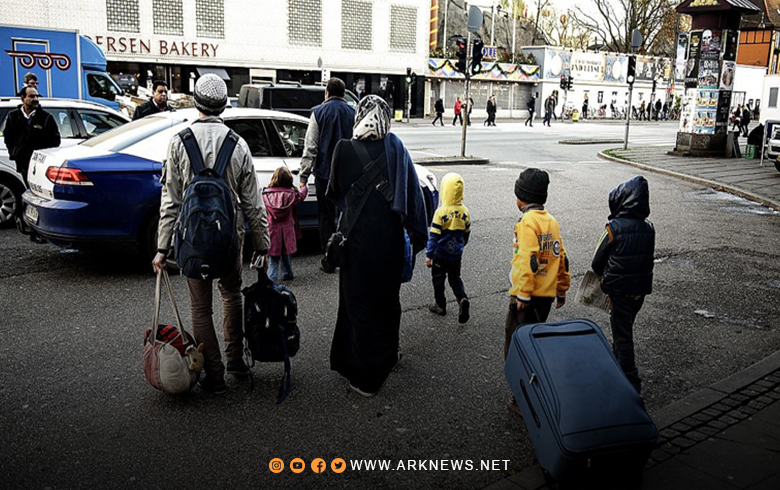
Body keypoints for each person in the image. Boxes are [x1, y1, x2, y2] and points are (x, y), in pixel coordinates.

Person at [152, 74, 270, 395]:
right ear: (224, 104)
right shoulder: (238, 145)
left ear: (195, 101)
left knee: (200, 309)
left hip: (192, 244)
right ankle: (235, 360)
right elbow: (253, 204)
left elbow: (171, 201)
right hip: (230, 241)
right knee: (231, 295)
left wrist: (162, 248)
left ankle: (214, 375)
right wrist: (263, 244)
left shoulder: (179, 142)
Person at [327, 95, 428, 397]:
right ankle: (388, 356)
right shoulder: (397, 149)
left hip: (356, 245)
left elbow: (334, 193)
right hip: (389, 245)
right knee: (387, 303)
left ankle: (364, 375)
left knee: (357, 305)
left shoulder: (343, 150)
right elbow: (413, 201)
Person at [505, 168, 570, 412]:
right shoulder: (551, 220)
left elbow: (527, 258)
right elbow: (561, 256)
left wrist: (522, 293)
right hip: (546, 295)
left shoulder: (526, 222)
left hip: (526, 297)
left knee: (516, 344)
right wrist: (561, 288)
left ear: (520, 198)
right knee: (534, 341)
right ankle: (533, 389)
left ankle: (522, 398)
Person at [591, 176, 655, 394]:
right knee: (624, 329)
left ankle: (630, 385)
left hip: (619, 290)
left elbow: (597, 261)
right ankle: (617, 369)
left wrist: (602, 277)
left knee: (623, 335)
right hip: (640, 291)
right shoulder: (648, 228)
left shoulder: (613, 228)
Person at [299, 77, 355, 273]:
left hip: (324, 173)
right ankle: (347, 253)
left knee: (326, 216)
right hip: (348, 173)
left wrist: (303, 177)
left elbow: (310, 146)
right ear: (343, 93)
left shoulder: (318, 112)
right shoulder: (353, 113)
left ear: (327, 93)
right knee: (347, 213)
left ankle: (329, 258)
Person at [426, 172, 471, 324]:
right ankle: (462, 298)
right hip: (455, 256)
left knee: (438, 280)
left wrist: (428, 255)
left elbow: (434, 236)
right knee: (455, 278)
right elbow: (466, 233)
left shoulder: (440, 213)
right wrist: (461, 246)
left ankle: (440, 305)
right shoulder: (465, 212)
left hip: (440, 255)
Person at [3, 86, 61, 188]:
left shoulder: (46, 117)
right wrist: (13, 153)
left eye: (36, 96)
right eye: (31, 96)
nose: (35, 99)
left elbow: (55, 140)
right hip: (22, 162)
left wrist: (42, 154)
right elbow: (8, 137)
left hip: (39, 163)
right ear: (23, 98)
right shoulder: (13, 116)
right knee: (27, 188)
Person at [262, 166, 308, 282]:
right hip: (287, 228)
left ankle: (271, 278)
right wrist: (304, 188)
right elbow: (301, 197)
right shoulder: (292, 194)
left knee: (273, 257)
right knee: (286, 254)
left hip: (272, 229)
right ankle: (287, 273)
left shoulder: (266, 195)